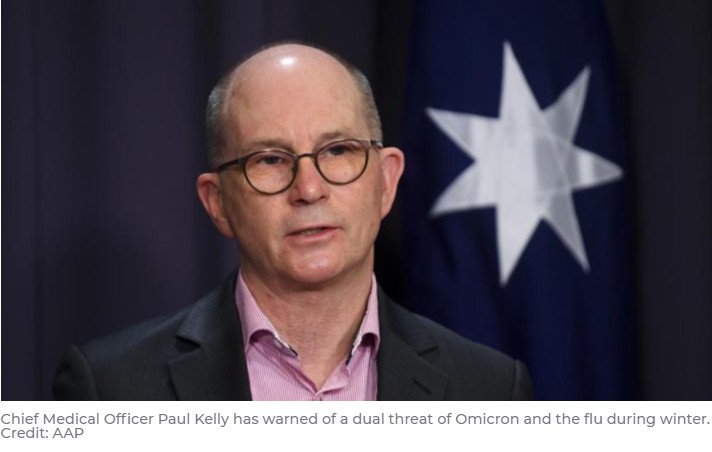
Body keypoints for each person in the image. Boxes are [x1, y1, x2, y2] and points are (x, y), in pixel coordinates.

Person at [53, 42, 533, 401]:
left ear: (386, 182)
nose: (308, 189)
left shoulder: (491, 390)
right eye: (269, 159)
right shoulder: (110, 388)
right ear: (218, 203)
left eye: (338, 151)